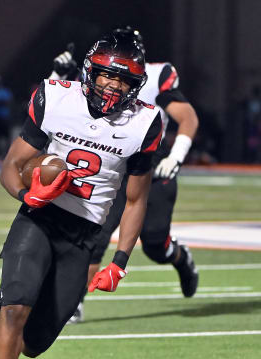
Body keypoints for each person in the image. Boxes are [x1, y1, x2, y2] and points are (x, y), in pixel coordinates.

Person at [0, 32, 162, 359]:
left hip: (85, 234)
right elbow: (12, 164)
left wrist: (119, 262)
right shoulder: (55, 98)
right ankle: (12, 291)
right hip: (39, 218)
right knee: (15, 309)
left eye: (124, 80)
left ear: (135, 85)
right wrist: (27, 196)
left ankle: (15, 291)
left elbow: (137, 199)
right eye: (108, 74)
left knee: (33, 345)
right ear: (90, 72)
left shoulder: (145, 122)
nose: (113, 85)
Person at [49, 26, 199, 324]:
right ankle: (73, 300)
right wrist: (58, 76)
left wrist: (176, 156)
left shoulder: (156, 77)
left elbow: (188, 117)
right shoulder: (96, 75)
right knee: (95, 234)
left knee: (155, 243)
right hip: (114, 163)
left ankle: (180, 258)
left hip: (150, 163)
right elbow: (53, 108)